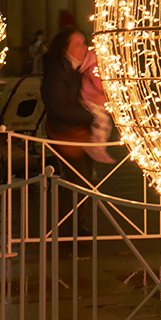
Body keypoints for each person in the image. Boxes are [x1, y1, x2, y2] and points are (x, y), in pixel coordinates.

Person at [41, 27, 95, 214]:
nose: (83, 48)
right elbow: (57, 106)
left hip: (81, 132)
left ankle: (76, 224)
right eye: (77, 44)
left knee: (84, 182)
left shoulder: (77, 69)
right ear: (65, 49)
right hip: (66, 133)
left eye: (84, 43)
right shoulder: (58, 71)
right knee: (79, 182)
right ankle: (66, 225)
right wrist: (89, 115)